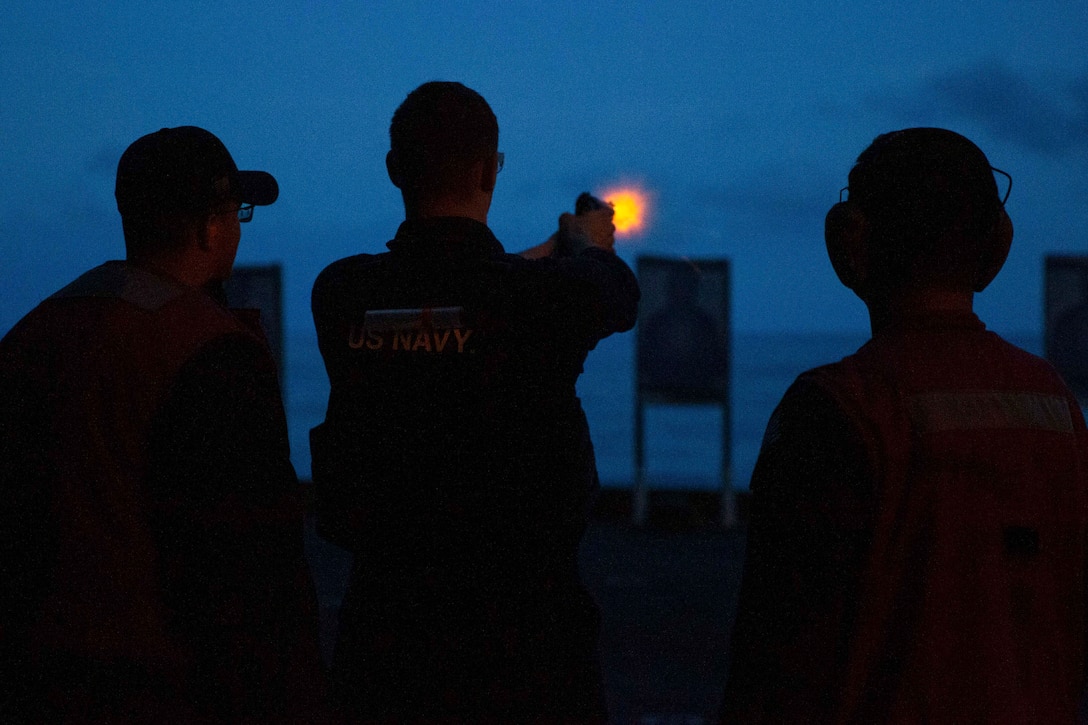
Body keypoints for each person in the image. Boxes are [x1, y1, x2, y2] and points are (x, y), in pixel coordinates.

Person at [721, 128, 1088, 723]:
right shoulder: (1055, 404)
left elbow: (779, 658)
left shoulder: (837, 406)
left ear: (850, 240)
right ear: (996, 245)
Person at [310, 81, 640, 723]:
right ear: (492, 168)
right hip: (527, 646)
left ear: (393, 169)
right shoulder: (544, 301)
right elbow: (613, 289)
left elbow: (453, 290)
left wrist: (552, 248)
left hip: (385, 640)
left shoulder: (342, 293)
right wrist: (587, 245)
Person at [0, 126, 327, 722]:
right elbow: (248, 571)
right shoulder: (207, 352)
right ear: (209, 226)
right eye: (238, 214)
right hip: (161, 685)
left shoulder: (30, 336)